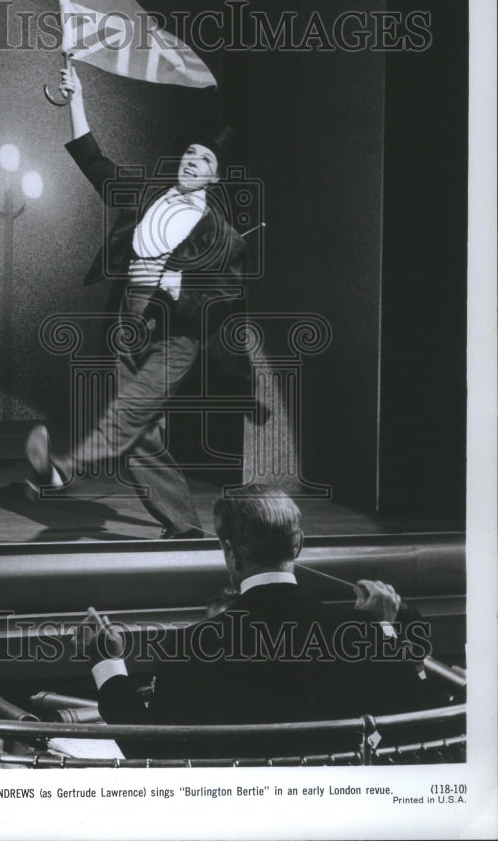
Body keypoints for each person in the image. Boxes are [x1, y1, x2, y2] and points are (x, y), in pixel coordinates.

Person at [25, 66, 249, 538]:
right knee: (140, 431)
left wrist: (175, 286)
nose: (192, 160)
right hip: (128, 320)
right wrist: (76, 101)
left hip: (178, 336)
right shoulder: (147, 194)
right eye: (189, 153)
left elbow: (223, 305)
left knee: (127, 412)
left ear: (216, 177)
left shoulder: (224, 236)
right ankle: (184, 525)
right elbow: (94, 161)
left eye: (204, 159)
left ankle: (64, 470)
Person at [74, 485, 448, 759]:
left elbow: (146, 745)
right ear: (297, 545)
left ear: (230, 552)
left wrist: (107, 664)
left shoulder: (192, 644)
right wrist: (387, 625)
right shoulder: (358, 632)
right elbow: (419, 710)